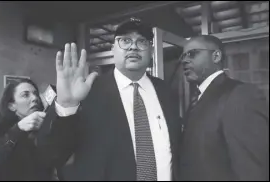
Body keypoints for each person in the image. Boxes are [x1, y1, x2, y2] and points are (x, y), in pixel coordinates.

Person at [36, 18, 182, 181]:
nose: (133, 46)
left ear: (151, 50)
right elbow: (51, 156)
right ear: (113, 49)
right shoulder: (88, 92)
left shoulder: (166, 92)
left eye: (142, 41)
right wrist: (67, 106)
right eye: (125, 41)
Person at [179, 35, 269, 181]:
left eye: (192, 53)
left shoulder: (241, 95)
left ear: (216, 56)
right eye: (183, 56)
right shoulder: (198, 98)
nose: (184, 60)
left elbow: (252, 170)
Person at [0, 78, 55, 181]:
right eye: (25, 95)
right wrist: (18, 128)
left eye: (36, 94)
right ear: (12, 106)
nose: (34, 98)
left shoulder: (44, 126)